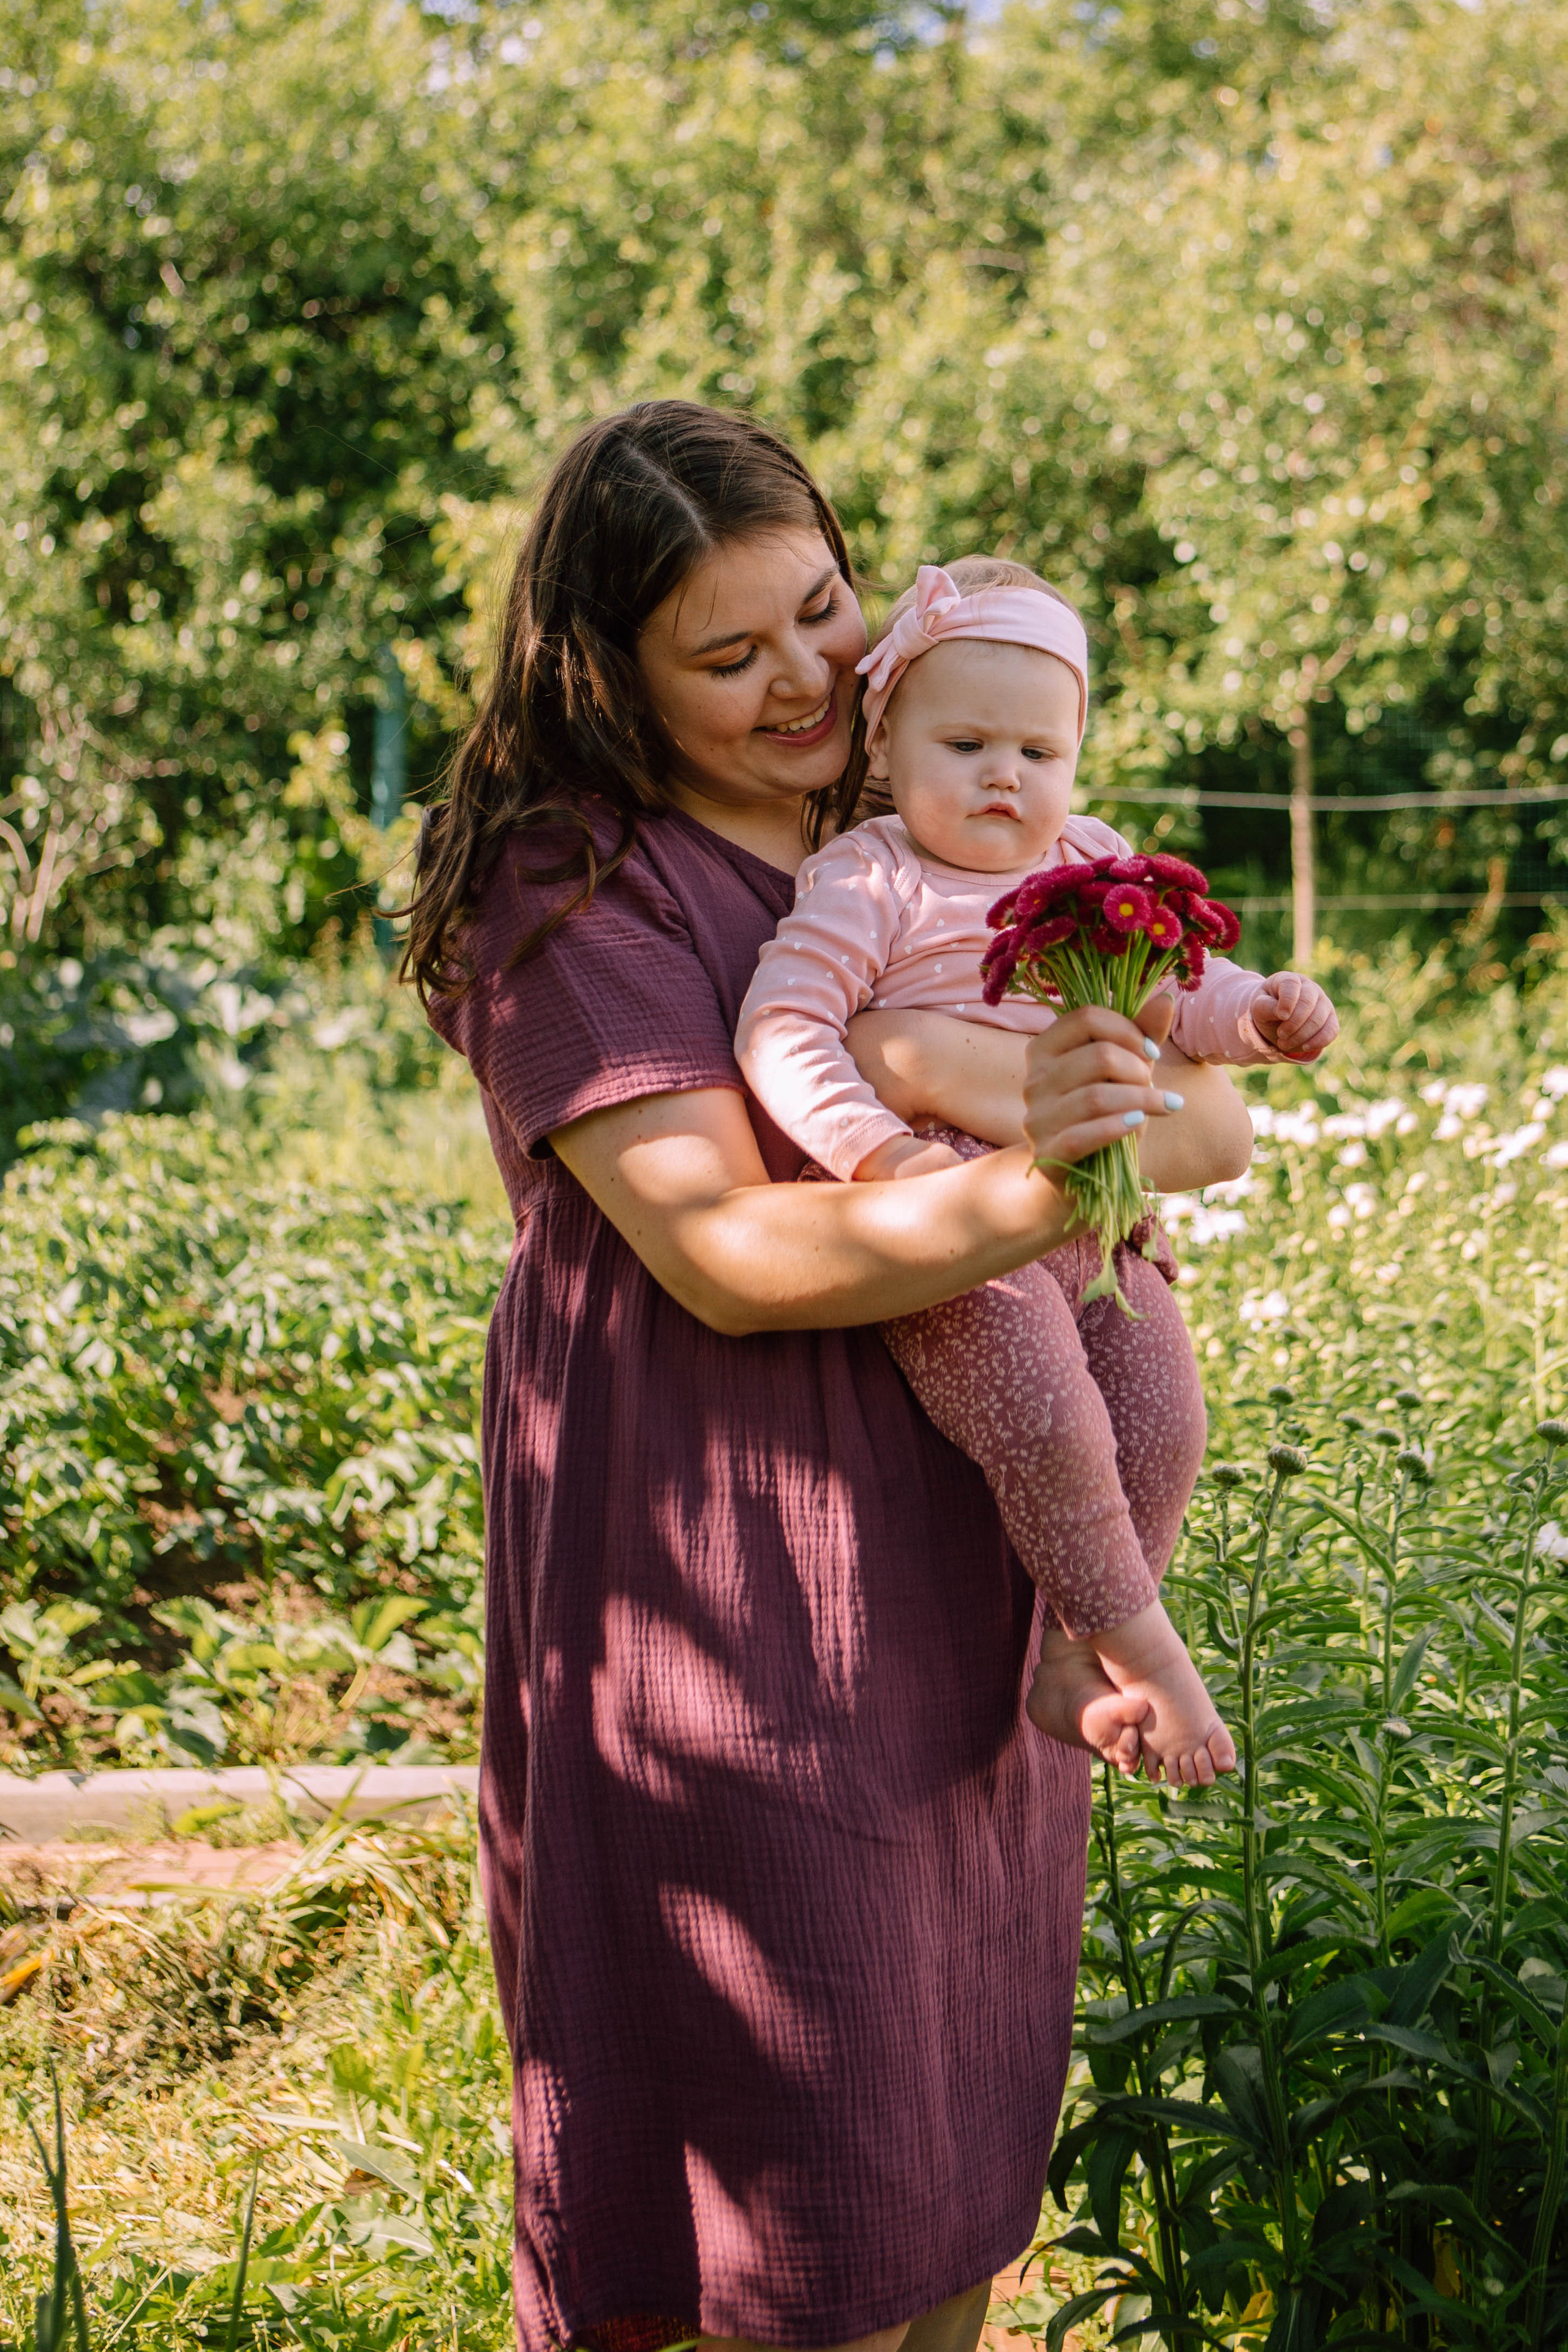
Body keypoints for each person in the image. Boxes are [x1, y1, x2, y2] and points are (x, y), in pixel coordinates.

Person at [404, 401, 1256, 2352]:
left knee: (943, 2141)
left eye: (822, 611)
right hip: (730, 1577)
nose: (803, 677)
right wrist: (1023, 1137)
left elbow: (1207, 1135)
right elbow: (731, 1251)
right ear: (605, 674)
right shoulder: (572, 886)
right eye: (727, 655)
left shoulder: (923, 815)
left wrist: (970, 1082)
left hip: (971, 1547)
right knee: (781, 2189)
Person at [735, 557, 1338, 1788]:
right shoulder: (873, 877)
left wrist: (1255, 1015)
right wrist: (884, 1160)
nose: (1006, 777)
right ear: (886, 743)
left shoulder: (1091, 855)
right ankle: (1150, 1657)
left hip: (1099, 1221)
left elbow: (1179, 989)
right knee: (1048, 1426)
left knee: (1164, 1421)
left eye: (1039, 752)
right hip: (949, 1218)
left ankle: (1070, 1657)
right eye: (963, 744)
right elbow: (781, 1029)